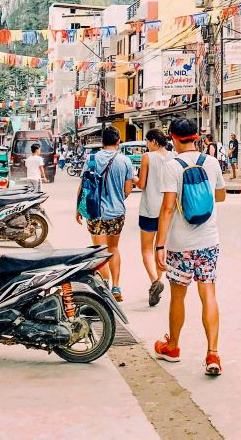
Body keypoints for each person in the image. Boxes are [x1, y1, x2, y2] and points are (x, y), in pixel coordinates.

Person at [154, 118, 226, 376]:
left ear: (172, 137)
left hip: (180, 244)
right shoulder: (212, 162)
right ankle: (213, 354)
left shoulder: (172, 166)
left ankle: (173, 347)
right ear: (197, 136)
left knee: (178, 296)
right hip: (208, 241)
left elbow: (167, 208)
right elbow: (220, 196)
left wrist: (159, 246)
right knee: (208, 294)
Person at [76, 126, 133, 301]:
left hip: (95, 212)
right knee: (114, 248)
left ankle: (105, 287)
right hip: (116, 212)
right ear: (118, 142)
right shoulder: (125, 161)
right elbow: (128, 189)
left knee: (100, 251)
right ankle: (116, 287)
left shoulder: (92, 158)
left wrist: (78, 208)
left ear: (102, 142)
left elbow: (83, 186)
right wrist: (117, 198)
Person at [136, 128, 172, 307]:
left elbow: (142, 183)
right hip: (168, 209)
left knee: (147, 250)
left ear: (154, 142)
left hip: (150, 208)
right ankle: (159, 278)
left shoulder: (147, 157)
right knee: (161, 247)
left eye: (147, 142)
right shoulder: (173, 157)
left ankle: (154, 282)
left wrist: (133, 178)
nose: (146, 145)